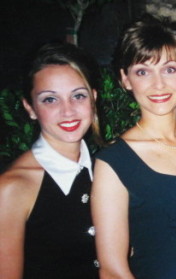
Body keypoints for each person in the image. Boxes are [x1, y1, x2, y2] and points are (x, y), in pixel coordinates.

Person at [91, 14, 176, 279]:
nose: (158, 83)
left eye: (169, 69)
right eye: (142, 72)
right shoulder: (114, 162)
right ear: (125, 79)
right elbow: (113, 270)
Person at [0, 42, 101, 279]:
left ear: (93, 99)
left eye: (78, 95)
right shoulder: (12, 187)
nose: (68, 111)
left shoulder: (106, 168)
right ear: (30, 107)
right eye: (50, 99)